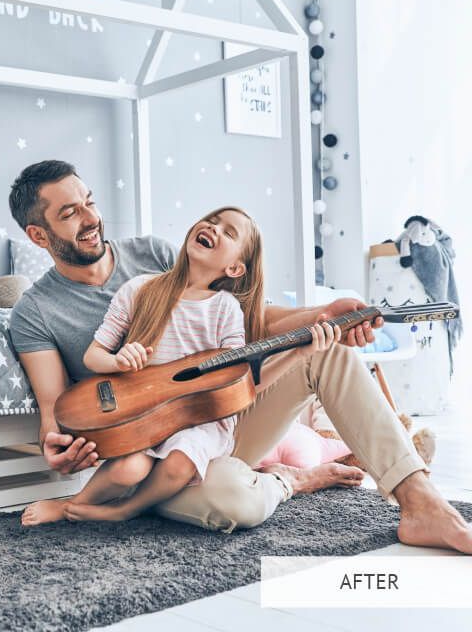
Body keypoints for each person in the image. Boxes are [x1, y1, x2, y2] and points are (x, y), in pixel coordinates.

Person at [9, 159, 472, 552]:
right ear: (38, 235)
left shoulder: (151, 255)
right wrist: (58, 447)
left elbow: (247, 321)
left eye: (89, 201)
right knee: (235, 501)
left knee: (325, 353)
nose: (90, 218)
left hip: (217, 420)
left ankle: (421, 502)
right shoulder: (36, 310)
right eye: (70, 213)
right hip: (147, 454)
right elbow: (53, 410)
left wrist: (322, 313)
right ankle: (292, 479)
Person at [22, 207, 360, 526]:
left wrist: (298, 353)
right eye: (212, 219)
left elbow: (241, 383)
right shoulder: (139, 289)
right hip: (147, 417)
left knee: (180, 462)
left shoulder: (225, 308)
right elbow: (93, 356)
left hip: (203, 422)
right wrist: (116, 361)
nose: (213, 227)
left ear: (235, 269)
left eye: (228, 232)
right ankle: (75, 502)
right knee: (128, 469)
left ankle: (125, 511)